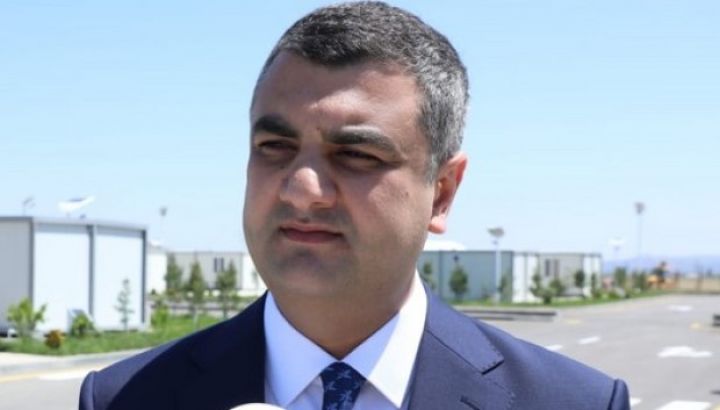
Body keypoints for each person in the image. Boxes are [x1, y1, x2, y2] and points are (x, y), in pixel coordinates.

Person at [79, 2, 630, 409]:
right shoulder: (124, 399)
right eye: (275, 147)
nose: (302, 189)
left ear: (441, 192)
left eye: (356, 155)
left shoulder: (573, 402)